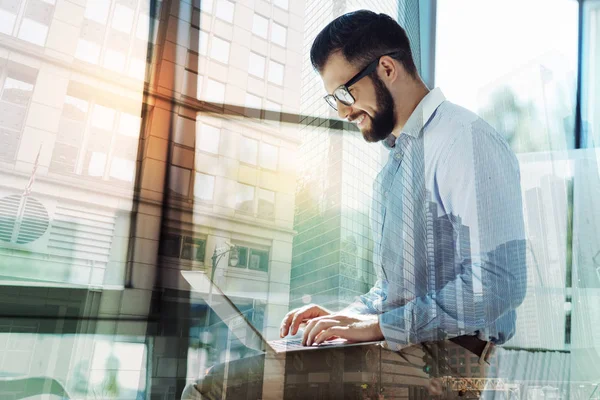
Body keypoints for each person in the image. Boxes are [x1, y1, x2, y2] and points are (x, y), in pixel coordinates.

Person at [279, 7, 527, 383]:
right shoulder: (398, 162)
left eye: (345, 92)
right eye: (334, 99)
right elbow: (398, 291)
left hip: (444, 364)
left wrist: (380, 326)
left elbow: (499, 282)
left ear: (387, 69)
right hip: (407, 351)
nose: (344, 111)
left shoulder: (465, 140)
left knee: (219, 386)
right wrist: (344, 317)